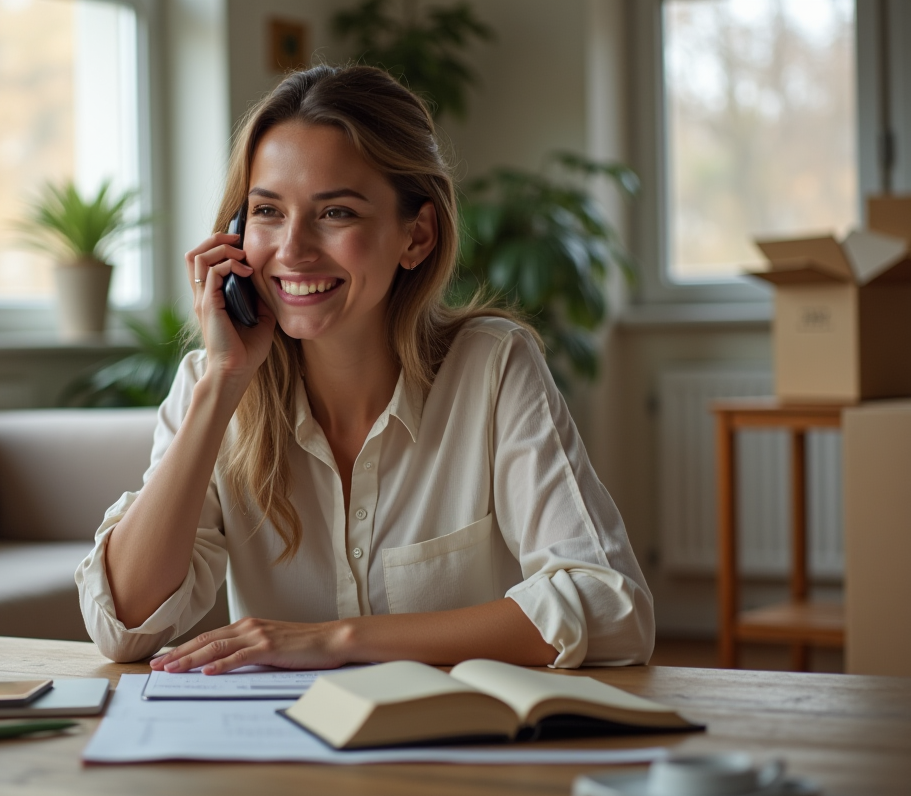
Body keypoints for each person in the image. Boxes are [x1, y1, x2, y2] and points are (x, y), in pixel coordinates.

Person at [76, 65, 653, 674]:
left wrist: (340, 640)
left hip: (454, 749)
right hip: (282, 752)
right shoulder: (210, 383)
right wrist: (222, 383)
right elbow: (125, 626)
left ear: (417, 235)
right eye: (268, 212)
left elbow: (611, 606)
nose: (292, 249)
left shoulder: (492, 368)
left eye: (336, 214)